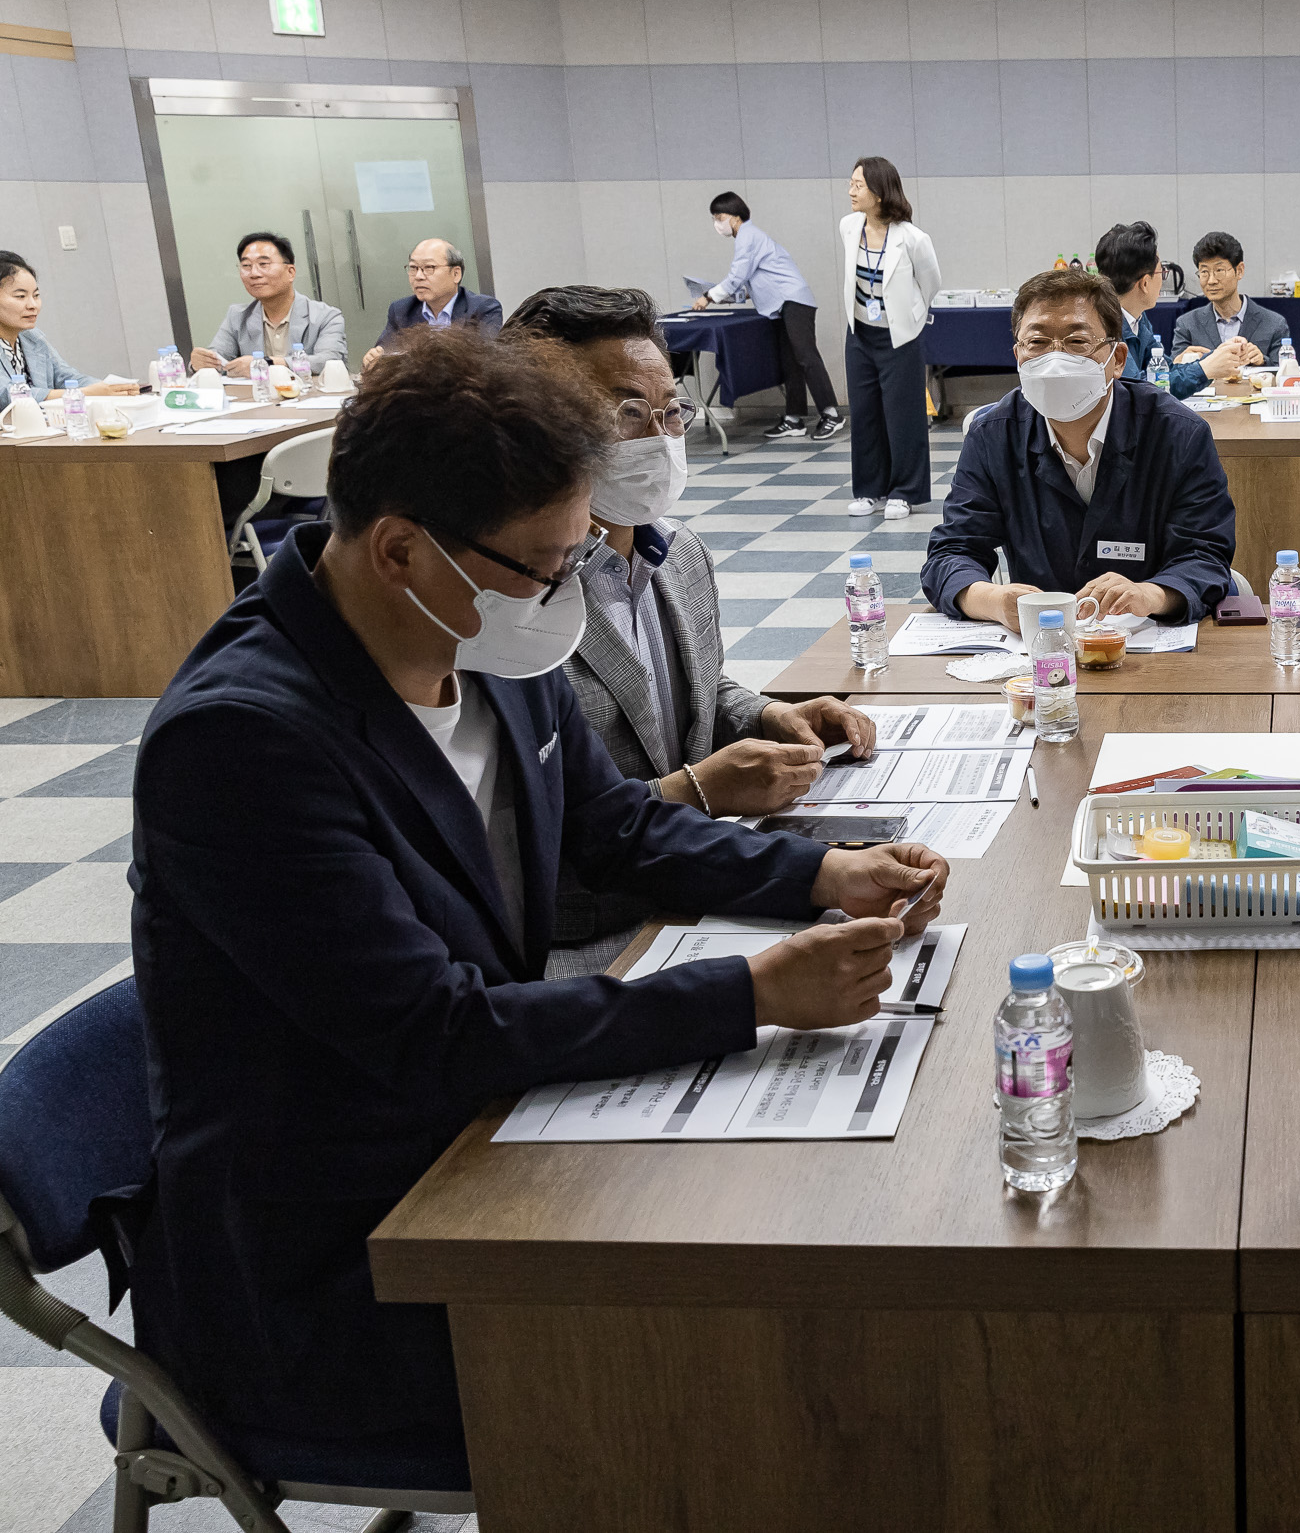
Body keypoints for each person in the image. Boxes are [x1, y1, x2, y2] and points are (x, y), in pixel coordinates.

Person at [127, 326, 949, 1456]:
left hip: (490, 1139)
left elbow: (612, 827)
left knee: (821, 1257)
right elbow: (436, 1031)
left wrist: (818, 870)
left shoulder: (480, 641)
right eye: (546, 565)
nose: (571, 589)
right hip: (340, 1256)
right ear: (403, 550)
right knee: (763, 1363)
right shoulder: (243, 743)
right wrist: (746, 992)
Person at [502, 284, 880, 976]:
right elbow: (537, 830)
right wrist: (699, 788)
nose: (658, 438)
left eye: (670, 412)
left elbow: (690, 696)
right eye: (626, 414)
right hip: (583, 935)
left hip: (702, 884)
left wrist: (768, 715)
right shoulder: (513, 596)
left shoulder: (677, 554)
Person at [923, 268, 1236, 627]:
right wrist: (993, 600)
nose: (1055, 361)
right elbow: (951, 553)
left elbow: (1206, 553)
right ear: (1017, 355)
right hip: (1038, 652)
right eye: (1038, 343)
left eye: (1077, 342)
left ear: (1117, 359)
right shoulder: (994, 435)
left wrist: (1151, 594)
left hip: (1148, 643)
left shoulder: (1177, 434)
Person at [838, 157, 943, 517]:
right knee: (865, 413)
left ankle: (906, 491)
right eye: (851, 183)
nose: (851, 191)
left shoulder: (913, 238)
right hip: (859, 335)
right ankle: (870, 490)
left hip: (899, 338)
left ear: (880, 192)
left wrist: (911, 317)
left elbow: (931, 284)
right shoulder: (849, 227)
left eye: (858, 185)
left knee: (903, 416)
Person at [692, 191, 837, 442]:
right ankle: (794, 418)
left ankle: (832, 414)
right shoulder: (747, 238)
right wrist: (722, 295)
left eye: (720, 217)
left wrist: (708, 296)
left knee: (805, 357)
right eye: (714, 218)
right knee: (790, 362)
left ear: (736, 217)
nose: (718, 223)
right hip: (782, 305)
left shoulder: (748, 236)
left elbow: (737, 276)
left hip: (794, 301)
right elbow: (748, 285)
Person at [192, 231, 349, 375]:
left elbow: (329, 362)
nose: (254, 273)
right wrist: (201, 363)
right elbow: (218, 360)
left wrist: (268, 364)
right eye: (246, 266)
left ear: (290, 272)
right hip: (257, 401)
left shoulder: (326, 316)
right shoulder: (237, 317)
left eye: (263, 264)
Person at [1093, 220, 1219, 399]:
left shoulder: (1138, 318)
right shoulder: (1105, 328)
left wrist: (1216, 358)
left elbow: (1163, 371)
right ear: (1145, 283)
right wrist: (1205, 369)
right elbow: (1135, 392)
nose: (1162, 279)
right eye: (1162, 273)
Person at [0, 251, 137, 396]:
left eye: (36, 295)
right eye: (20, 296)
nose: (33, 305)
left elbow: (66, 377)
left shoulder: (32, 338)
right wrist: (84, 393)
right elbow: (5, 395)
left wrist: (113, 388)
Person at [364, 237, 502, 368]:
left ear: (456, 274)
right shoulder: (401, 310)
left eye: (429, 268)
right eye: (413, 268)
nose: (418, 276)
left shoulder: (483, 308)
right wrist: (375, 360)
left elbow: (485, 361)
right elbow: (385, 358)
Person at [1170, 231, 1287, 369]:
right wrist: (1181, 362)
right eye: (1204, 272)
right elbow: (1174, 375)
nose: (1211, 281)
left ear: (1239, 271)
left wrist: (1262, 361)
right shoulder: (1187, 324)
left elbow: (1283, 376)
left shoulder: (1274, 324)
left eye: (1219, 270)